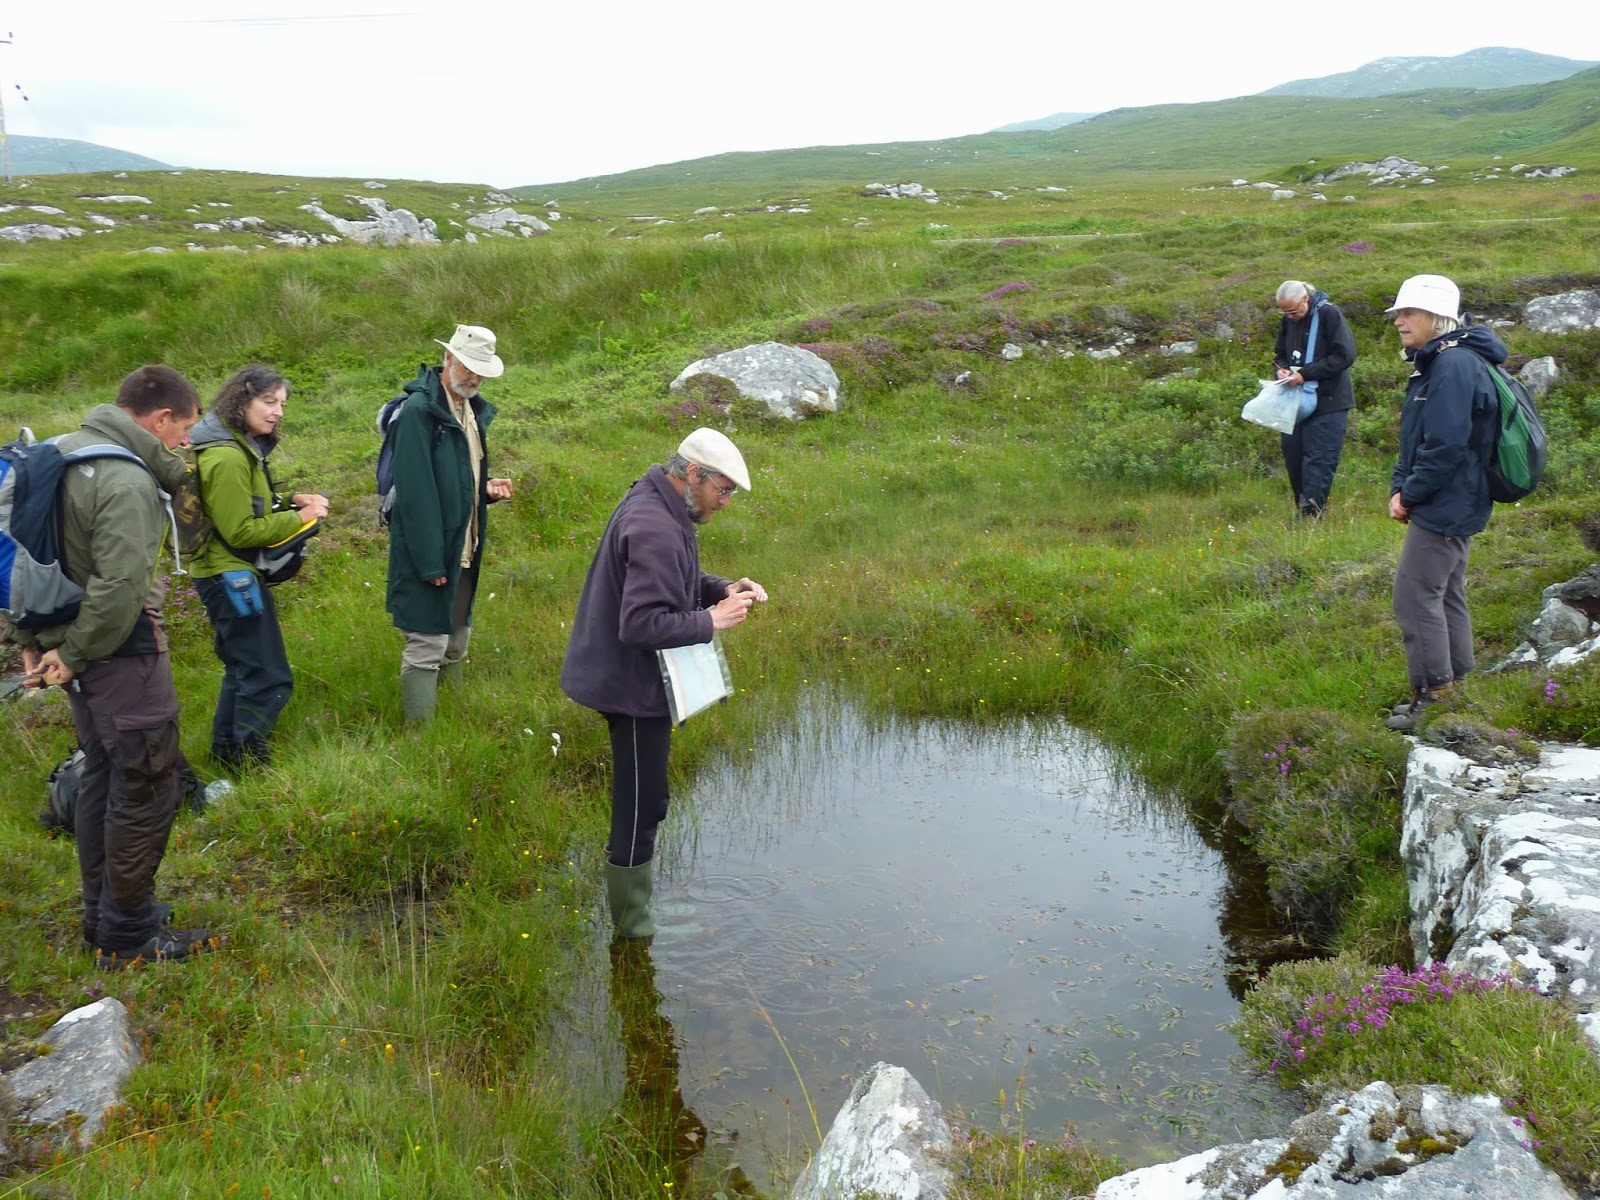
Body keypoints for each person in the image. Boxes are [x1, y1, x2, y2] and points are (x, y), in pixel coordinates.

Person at [10, 365, 214, 966]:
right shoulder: (126, 478)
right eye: (183, 431)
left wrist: (34, 639)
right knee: (147, 781)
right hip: (118, 649)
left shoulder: (60, 451)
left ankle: (104, 913)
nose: (184, 444)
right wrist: (74, 655)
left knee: (103, 773)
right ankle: (127, 934)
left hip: (69, 641)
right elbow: (121, 586)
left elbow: (26, 553)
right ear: (160, 419)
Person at [561, 428, 768, 939]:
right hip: (629, 686)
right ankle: (633, 929)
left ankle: (635, 914)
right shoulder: (653, 522)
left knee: (648, 798)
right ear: (693, 473)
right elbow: (641, 624)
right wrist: (711, 620)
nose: (725, 502)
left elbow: (673, 578)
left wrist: (722, 587)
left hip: (632, 679)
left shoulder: (660, 501)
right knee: (640, 804)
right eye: (723, 490)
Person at [189, 366, 329, 769]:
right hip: (230, 577)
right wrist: (300, 519)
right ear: (241, 401)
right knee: (268, 675)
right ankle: (249, 763)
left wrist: (290, 500)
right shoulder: (227, 456)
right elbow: (240, 530)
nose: (278, 412)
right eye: (269, 402)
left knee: (243, 670)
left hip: (224, 573)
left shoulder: (233, 445)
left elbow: (244, 505)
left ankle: (226, 758)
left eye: (281, 403)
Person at [1383, 274, 1505, 732]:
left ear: (1437, 318)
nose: (1399, 321)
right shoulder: (1441, 360)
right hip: (1453, 497)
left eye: (1408, 312)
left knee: (1414, 596)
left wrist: (1409, 494)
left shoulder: (1453, 365)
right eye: (1398, 313)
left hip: (1448, 500)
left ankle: (1434, 695)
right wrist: (1400, 485)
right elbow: (1417, 437)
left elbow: (1445, 445)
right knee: (1445, 592)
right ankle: (1458, 685)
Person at [384, 325, 514, 724]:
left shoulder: (469, 410)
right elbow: (415, 495)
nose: (474, 378)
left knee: (457, 635)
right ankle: (420, 737)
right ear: (448, 358)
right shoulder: (420, 413)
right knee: (427, 641)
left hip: (464, 546)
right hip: (433, 552)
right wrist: (429, 562)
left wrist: (484, 491)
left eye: (481, 372)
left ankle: (453, 719)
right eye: (468, 368)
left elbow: (455, 477)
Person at [1272, 280, 1358, 518]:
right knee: (1293, 456)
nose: (1290, 316)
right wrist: (1281, 370)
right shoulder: (1288, 320)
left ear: (1305, 299)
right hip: (1295, 401)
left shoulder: (1330, 314)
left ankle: (1312, 516)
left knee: (1318, 460)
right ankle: (1303, 511)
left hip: (1329, 401)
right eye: (1285, 313)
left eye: (1293, 311)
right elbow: (1279, 354)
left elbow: (1345, 356)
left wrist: (1306, 374)